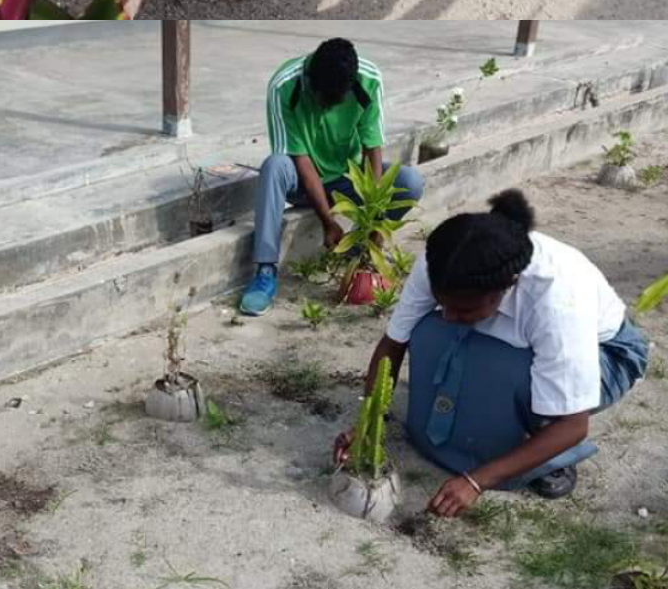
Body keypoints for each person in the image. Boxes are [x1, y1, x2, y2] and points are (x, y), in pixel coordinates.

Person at [335, 188, 650, 509]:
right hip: (507, 345)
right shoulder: (443, 261)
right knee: (429, 332)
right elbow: (394, 342)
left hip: (607, 354)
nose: (449, 316)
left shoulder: (556, 300)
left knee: (518, 378)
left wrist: (475, 481)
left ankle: (550, 460)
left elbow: (573, 424)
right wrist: (368, 423)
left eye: (464, 310)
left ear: (508, 285)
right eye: (444, 304)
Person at [239, 36, 422, 315]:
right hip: (301, 181)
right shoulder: (284, 86)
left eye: (337, 101)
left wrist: (372, 220)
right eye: (323, 99)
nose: (327, 107)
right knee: (274, 166)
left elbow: (373, 149)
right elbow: (300, 159)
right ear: (311, 80)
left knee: (410, 182)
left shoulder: (368, 79)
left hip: (347, 179)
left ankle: (357, 251)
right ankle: (265, 272)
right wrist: (328, 221)